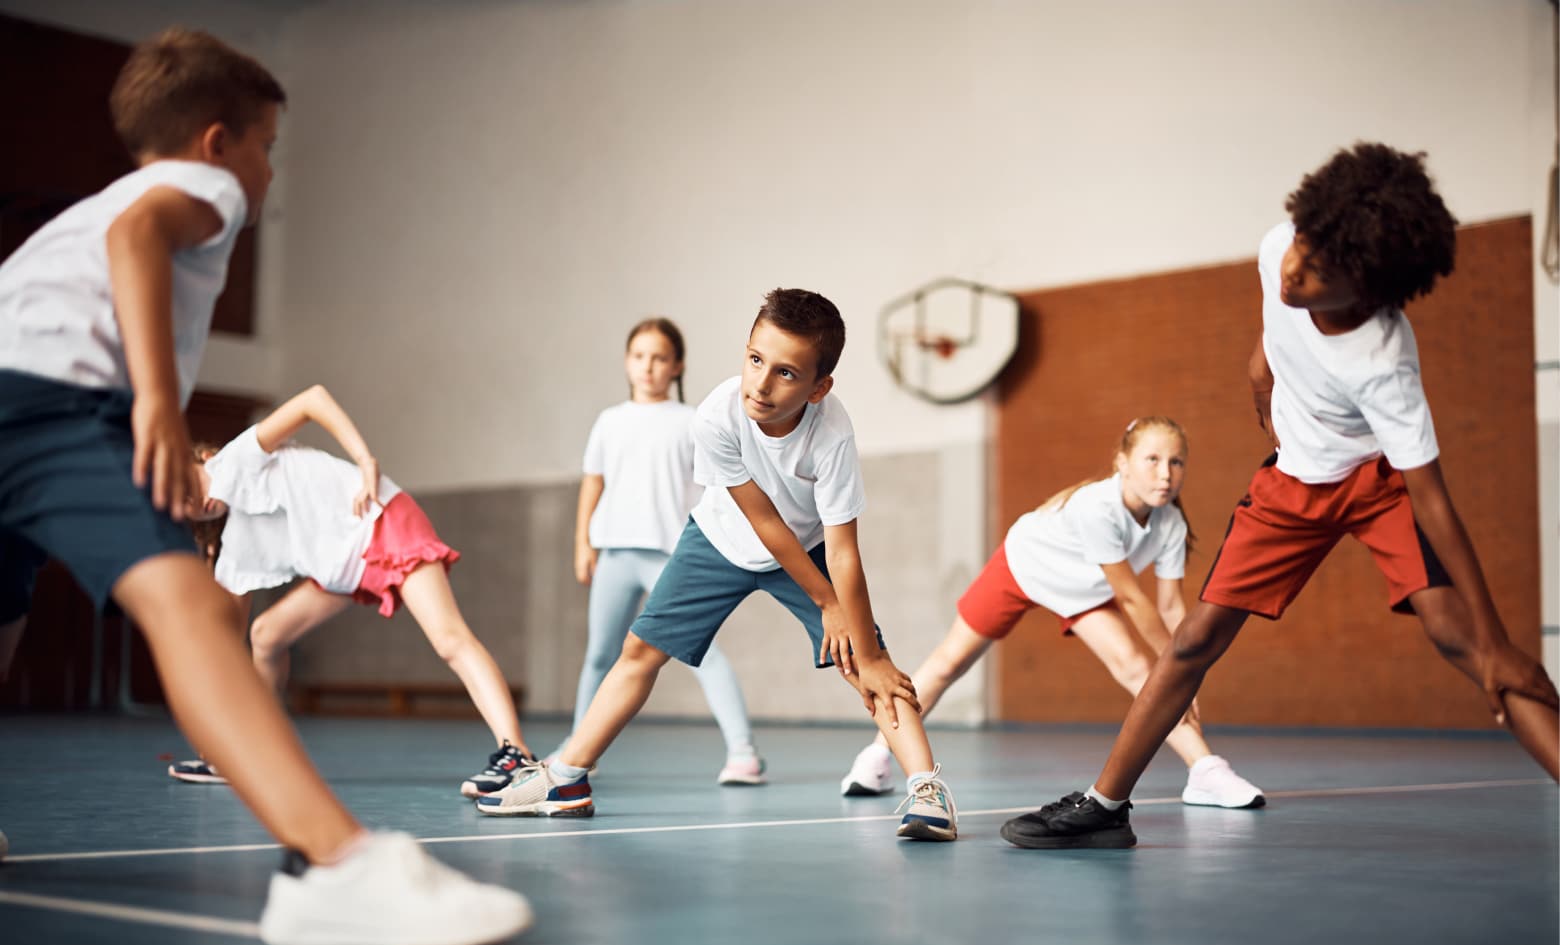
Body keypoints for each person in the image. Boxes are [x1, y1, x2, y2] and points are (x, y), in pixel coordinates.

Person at [0, 29, 530, 945]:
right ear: (217, 141)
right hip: (51, 404)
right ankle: (336, 866)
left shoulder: (81, 216)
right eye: (268, 148)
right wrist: (160, 405)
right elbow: (139, 237)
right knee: (198, 613)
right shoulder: (200, 189)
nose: (269, 174)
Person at [1003, 142, 1560, 850]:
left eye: (1320, 269)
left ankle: (1503, 666)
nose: (1296, 268)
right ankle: (1106, 805)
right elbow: (1276, 309)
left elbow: (1435, 502)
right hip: (1293, 483)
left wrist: (1497, 639)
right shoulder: (1282, 249)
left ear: (1368, 289)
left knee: (1469, 645)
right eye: (1302, 244)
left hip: (1375, 485)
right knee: (1195, 641)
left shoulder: (1384, 362)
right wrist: (1260, 364)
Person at [478, 289, 960, 840]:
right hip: (720, 537)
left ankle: (928, 789)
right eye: (755, 360)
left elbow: (843, 548)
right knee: (639, 651)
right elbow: (763, 522)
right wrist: (827, 602)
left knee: (865, 664)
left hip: (807, 552)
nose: (761, 383)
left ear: (819, 387)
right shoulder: (715, 416)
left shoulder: (833, 434)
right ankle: (566, 779)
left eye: (785, 372)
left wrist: (865, 648)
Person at [839, 417, 1264, 809]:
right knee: (949, 662)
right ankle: (877, 755)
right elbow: (1134, 601)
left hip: (1084, 590)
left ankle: (1205, 771)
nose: (1165, 473)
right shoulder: (1098, 507)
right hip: (1023, 564)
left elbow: (1171, 607)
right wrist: (1178, 676)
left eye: (1176, 462)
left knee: (1138, 667)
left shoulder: (1170, 523)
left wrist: (1182, 674)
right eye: (1151, 460)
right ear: (1123, 464)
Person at [172, 383, 535, 798]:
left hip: (380, 522)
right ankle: (256, 755)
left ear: (205, 458)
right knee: (265, 635)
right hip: (343, 566)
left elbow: (313, 399)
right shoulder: (234, 548)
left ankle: (518, 757)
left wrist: (365, 461)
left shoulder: (237, 460)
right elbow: (225, 644)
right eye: (180, 504)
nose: (192, 500)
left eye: (189, 483)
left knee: (449, 639)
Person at [561, 317, 762, 784]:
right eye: (638, 357)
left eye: (658, 358)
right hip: (615, 553)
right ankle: (576, 749)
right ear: (627, 363)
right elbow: (594, 483)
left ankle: (743, 752)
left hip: (670, 555)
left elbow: (718, 487)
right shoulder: (609, 421)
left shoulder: (693, 421)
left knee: (704, 653)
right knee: (600, 654)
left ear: (677, 366)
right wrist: (582, 543)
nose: (647, 367)